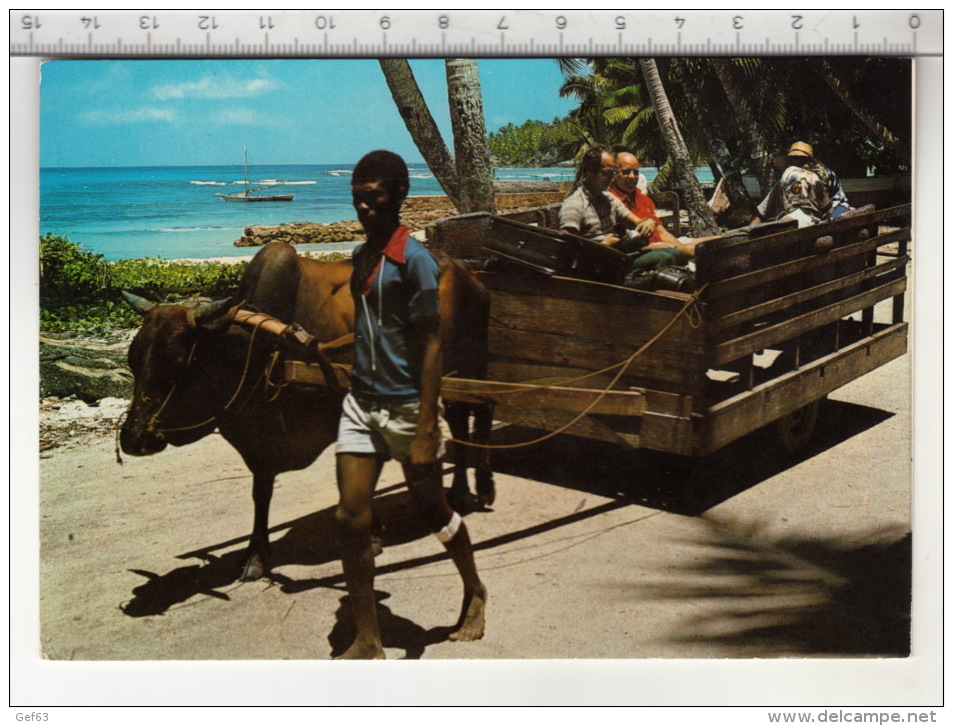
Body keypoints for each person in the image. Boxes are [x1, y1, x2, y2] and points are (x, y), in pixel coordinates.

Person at [320, 150, 486, 659]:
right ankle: (368, 638)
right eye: (357, 200)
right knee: (351, 518)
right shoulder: (362, 258)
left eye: (373, 199)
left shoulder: (414, 260)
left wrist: (422, 431)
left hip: (408, 407)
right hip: (361, 404)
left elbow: (433, 345)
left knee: (433, 510)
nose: (364, 209)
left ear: (396, 197)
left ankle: (475, 590)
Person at [558, 145, 698, 270]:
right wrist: (601, 246)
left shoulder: (608, 198)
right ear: (589, 171)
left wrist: (647, 223)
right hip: (597, 265)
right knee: (664, 257)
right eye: (605, 173)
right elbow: (565, 244)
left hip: (618, 254)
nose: (610, 178)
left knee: (675, 253)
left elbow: (634, 220)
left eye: (612, 173)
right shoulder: (575, 204)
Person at [608, 147, 694, 270]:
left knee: (711, 242)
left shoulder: (642, 198)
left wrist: (681, 247)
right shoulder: (610, 200)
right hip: (631, 251)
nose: (632, 177)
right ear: (613, 174)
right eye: (626, 172)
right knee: (680, 253)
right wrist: (683, 250)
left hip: (655, 244)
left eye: (636, 172)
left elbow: (662, 232)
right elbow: (622, 242)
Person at [752, 141, 852, 227]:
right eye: (793, 159)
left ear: (808, 161)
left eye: (800, 159)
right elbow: (763, 211)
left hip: (835, 207)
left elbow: (826, 206)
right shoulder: (785, 180)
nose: (797, 162)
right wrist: (749, 230)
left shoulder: (822, 175)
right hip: (797, 216)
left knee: (833, 224)